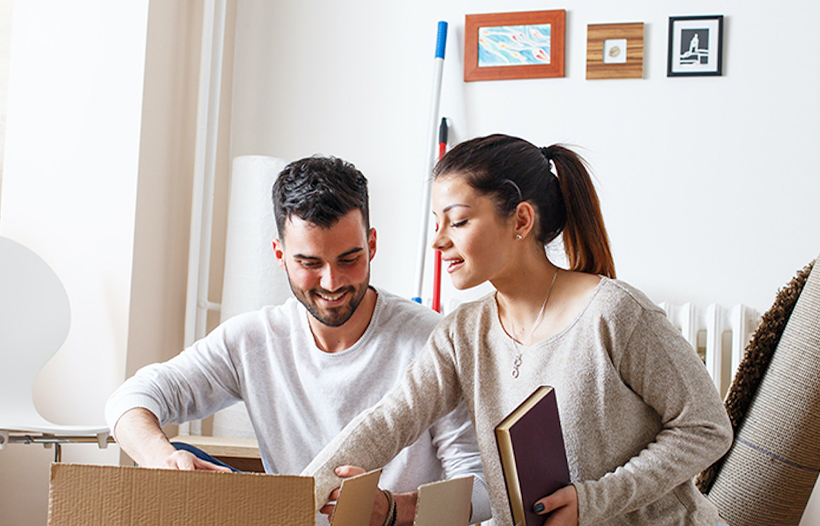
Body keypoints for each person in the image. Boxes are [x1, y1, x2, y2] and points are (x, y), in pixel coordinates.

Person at [303, 135, 734, 526]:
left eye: (457, 221)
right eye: (436, 223)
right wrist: (299, 496)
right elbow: (388, 421)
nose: (437, 241)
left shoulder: (614, 314)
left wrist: (594, 500)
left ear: (521, 220)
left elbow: (707, 428)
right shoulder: (463, 333)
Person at [105, 156, 491, 526]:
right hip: (290, 518)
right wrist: (162, 459)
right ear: (280, 255)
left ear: (372, 245)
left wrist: (393, 510)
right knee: (181, 456)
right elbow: (130, 399)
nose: (332, 282)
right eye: (309, 263)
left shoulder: (434, 340)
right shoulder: (254, 341)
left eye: (349, 259)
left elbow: (481, 486)